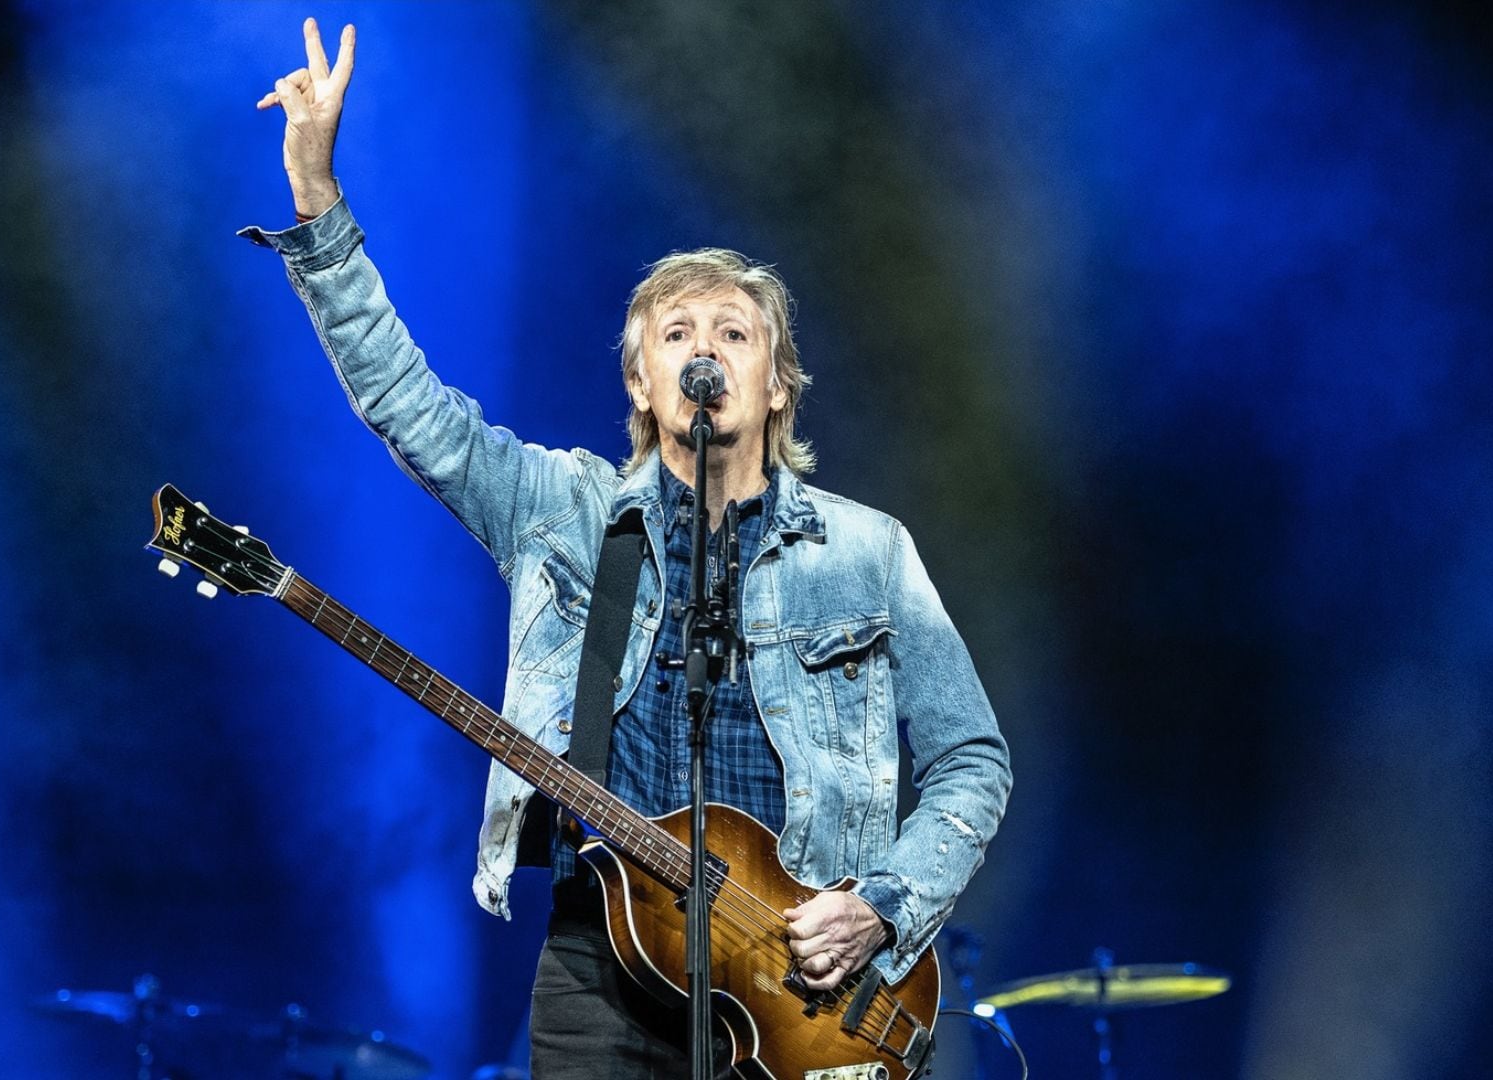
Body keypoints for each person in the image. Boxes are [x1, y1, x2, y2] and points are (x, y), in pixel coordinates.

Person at [245, 19, 1012, 1078]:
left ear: (778, 384)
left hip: (808, 995)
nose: (705, 350)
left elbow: (973, 758)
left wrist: (882, 906)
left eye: (734, 333)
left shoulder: (866, 553)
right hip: (600, 971)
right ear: (642, 386)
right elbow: (411, 409)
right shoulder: (565, 511)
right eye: (676, 334)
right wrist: (317, 197)